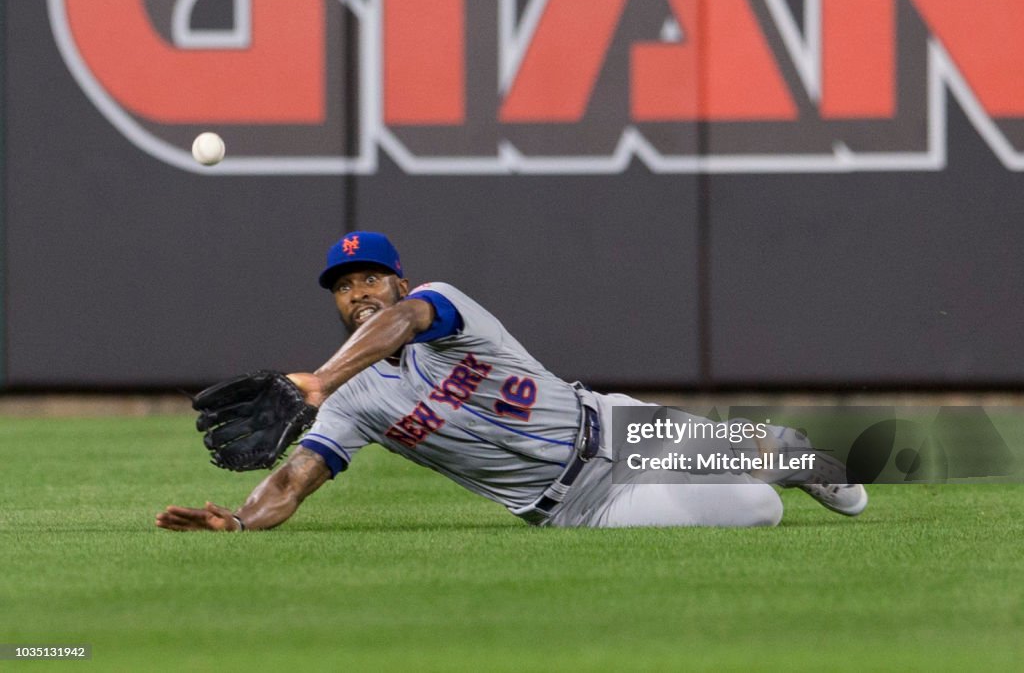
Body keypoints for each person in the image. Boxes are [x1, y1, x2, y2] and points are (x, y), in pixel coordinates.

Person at [156, 232, 867, 532]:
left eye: (369, 275)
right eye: (343, 286)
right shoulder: (353, 401)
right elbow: (293, 480)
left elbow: (403, 320)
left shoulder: (437, 304)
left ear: (397, 279)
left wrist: (316, 377)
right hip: (579, 508)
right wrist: (242, 519)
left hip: (611, 424)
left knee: (790, 457)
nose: (358, 291)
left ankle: (794, 451)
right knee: (757, 509)